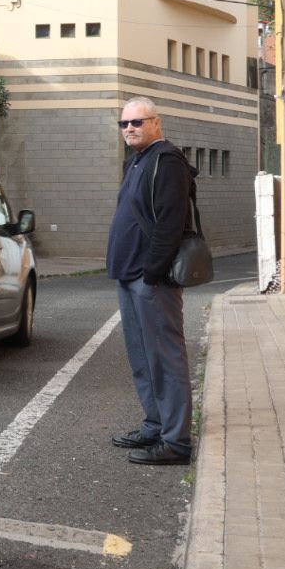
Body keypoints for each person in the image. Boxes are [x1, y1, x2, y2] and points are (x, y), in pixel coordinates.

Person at [105, 96, 195, 465]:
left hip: (150, 280)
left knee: (165, 359)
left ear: (156, 123)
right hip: (130, 275)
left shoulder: (167, 161)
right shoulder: (138, 160)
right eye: (125, 124)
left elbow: (171, 223)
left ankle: (176, 442)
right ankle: (155, 424)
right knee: (142, 358)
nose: (130, 129)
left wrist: (153, 272)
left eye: (137, 122)